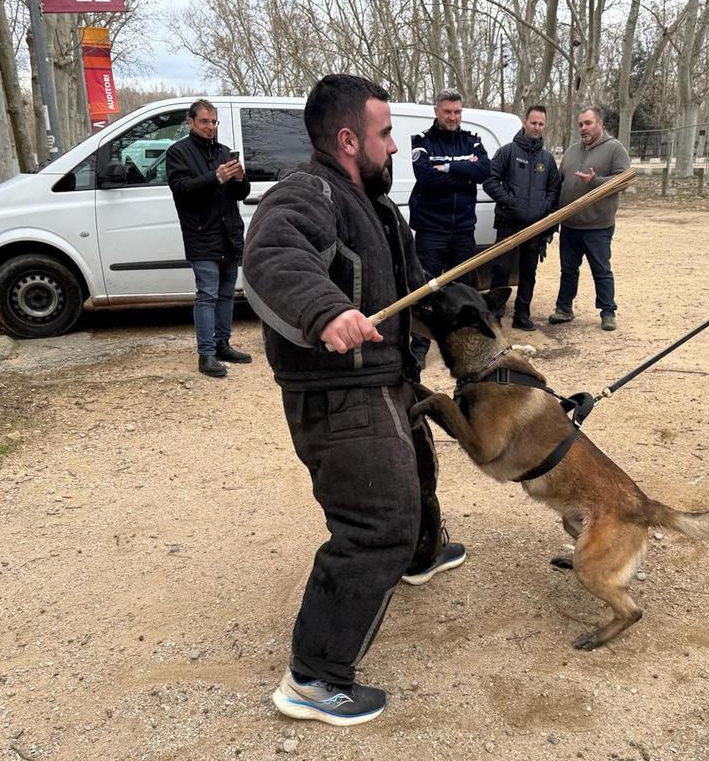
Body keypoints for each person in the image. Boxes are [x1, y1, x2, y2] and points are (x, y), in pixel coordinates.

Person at [243, 75, 466, 726]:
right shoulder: (304, 193)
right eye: (385, 133)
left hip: (385, 376)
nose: (396, 146)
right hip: (337, 396)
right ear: (348, 139)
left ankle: (420, 554)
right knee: (375, 524)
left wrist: (458, 314)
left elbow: (413, 282)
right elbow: (272, 256)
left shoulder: (373, 203)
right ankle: (314, 676)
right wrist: (324, 310)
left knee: (418, 464)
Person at [166, 98, 253, 378]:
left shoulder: (223, 151)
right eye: (204, 121)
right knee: (207, 294)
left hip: (228, 233)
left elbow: (240, 194)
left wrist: (239, 178)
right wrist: (215, 177)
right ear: (190, 122)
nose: (210, 127)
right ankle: (206, 355)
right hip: (201, 234)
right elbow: (182, 189)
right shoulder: (177, 152)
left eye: (213, 122)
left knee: (227, 293)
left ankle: (222, 344)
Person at [408, 88, 491, 361]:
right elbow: (426, 178)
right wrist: (464, 169)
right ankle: (419, 347)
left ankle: (464, 343)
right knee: (424, 289)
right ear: (436, 111)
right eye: (447, 112)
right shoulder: (422, 141)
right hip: (431, 230)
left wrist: (447, 167)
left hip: (463, 231)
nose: (453, 117)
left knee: (464, 289)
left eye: (457, 112)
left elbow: (483, 172)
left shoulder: (472, 140)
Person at [548, 106, 631, 331]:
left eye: (588, 123)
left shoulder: (615, 149)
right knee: (568, 270)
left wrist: (594, 181)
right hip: (570, 224)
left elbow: (623, 181)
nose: (583, 128)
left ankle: (608, 312)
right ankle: (564, 309)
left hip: (598, 226)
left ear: (600, 124)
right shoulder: (572, 151)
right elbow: (560, 182)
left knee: (601, 270)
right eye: (581, 124)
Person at [483, 104, 562, 331]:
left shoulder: (547, 160)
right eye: (533, 122)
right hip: (509, 223)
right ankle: (495, 316)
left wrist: (544, 206)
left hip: (535, 227)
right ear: (525, 122)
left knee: (529, 273)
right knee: (501, 271)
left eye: (540, 124)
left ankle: (522, 315)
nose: (536, 127)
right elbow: (489, 180)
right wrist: (510, 201)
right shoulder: (507, 152)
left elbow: (554, 188)